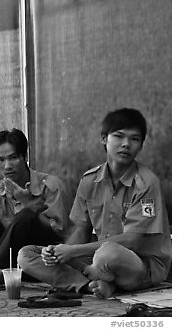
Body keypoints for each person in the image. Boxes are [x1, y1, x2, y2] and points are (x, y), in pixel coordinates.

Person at [18, 108, 171, 298]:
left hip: (140, 264)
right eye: (119, 136)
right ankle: (88, 286)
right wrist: (59, 252)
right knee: (27, 255)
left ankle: (103, 282)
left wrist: (74, 251)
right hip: (97, 258)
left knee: (107, 254)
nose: (126, 144)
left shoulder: (147, 183)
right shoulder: (89, 180)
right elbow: (81, 230)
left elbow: (133, 240)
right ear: (104, 139)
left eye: (134, 139)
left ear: (140, 146)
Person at [0, 128, 72, 286]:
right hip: (10, 254)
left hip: (43, 253)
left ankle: (0, 273)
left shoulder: (50, 186)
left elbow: (61, 232)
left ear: (25, 157)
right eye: (0, 160)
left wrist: (30, 206)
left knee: (25, 216)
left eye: (13, 158)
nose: (7, 166)